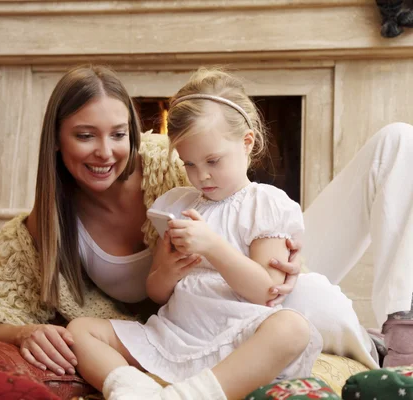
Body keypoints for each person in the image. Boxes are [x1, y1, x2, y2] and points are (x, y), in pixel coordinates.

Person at [0, 64, 413, 375]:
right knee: (305, 310)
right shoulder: (44, 228)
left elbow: (227, 171)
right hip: (198, 320)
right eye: (85, 136)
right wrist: (24, 331)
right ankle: (362, 339)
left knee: (397, 142)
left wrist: (285, 255)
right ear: (56, 140)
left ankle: (401, 331)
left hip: (273, 278)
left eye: (118, 134)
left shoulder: (167, 163)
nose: (105, 152)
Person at [66, 68, 325, 399]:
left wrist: (214, 247)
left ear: (246, 143)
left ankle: (191, 395)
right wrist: (170, 271)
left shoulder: (265, 204)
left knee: (292, 328)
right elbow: (156, 292)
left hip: (236, 336)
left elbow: (268, 292)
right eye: (189, 164)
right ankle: (131, 388)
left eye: (213, 161)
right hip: (175, 334)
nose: (201, 176)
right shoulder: (176, 203)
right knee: (80, 330)